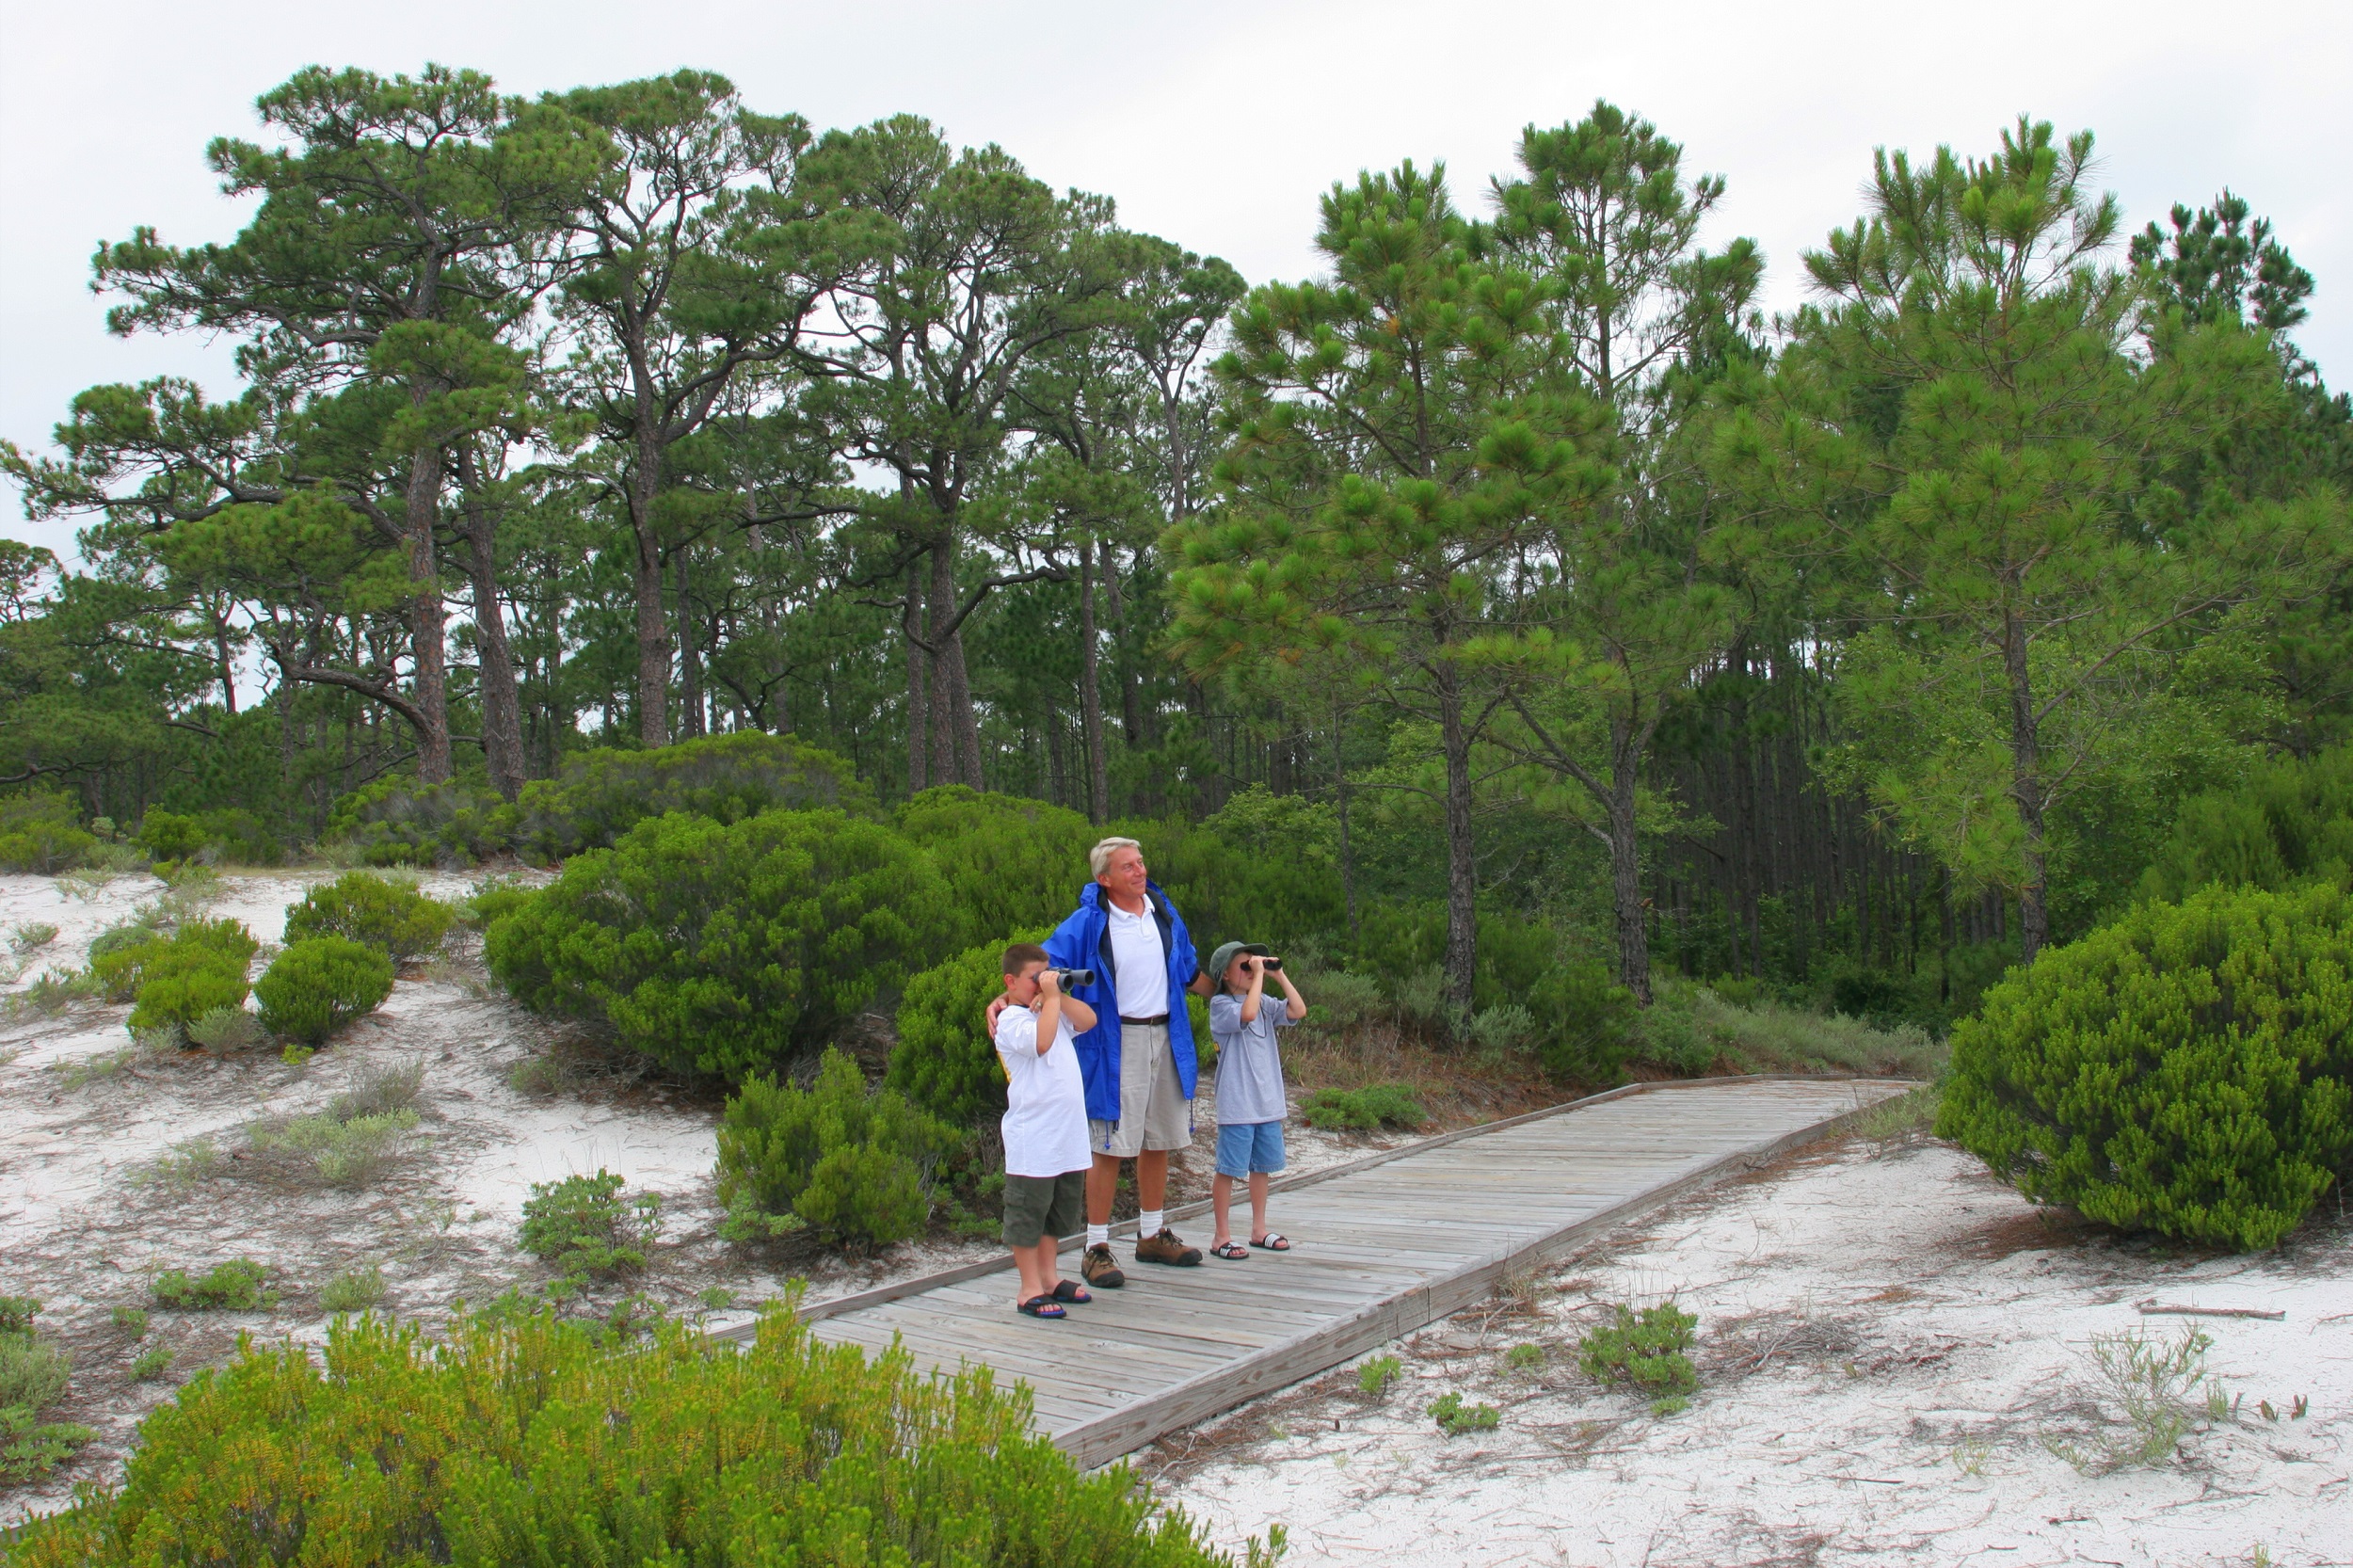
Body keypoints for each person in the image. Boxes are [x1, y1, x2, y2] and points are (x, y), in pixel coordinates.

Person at [995, 836, 1215, 1288]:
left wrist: (1230, 990)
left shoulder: (1165, 916)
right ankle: (1096, 1247)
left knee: (1159, 1139)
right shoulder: (1087, 924)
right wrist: (1003, 998)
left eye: (1141, 862)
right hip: (1118, 1042)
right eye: (1128, 866)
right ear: (1105, 879)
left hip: (1167, 1035)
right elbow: (1041, 971)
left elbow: (1190, 973)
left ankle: (1152, 1234)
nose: (1140, 871)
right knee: (1110, 1143)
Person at [993, 942, 1099, 1320]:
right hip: (1033, 1136)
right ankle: (1029, 1287)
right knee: (1028, 1211)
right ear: (1010, 981)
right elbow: (1040, 1043)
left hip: (1066, 1134)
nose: (1041, 985)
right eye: (1033, 979)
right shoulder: (1010, 1021)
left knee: (1057, 1209)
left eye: (1046, 975)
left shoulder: (1049, 1008)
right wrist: (1049, 998)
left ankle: (1050, 1277)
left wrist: (1057, 994)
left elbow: (1088, 1020)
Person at [1204, 941, 1306, 1259]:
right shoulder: (1221, 1005)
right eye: (1245, 966)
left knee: (1261, 1167)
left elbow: (1298, 1010)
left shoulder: (1262, 1000)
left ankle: (1258, 1229)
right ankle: (1221, 1235)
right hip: (1238, 1103)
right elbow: (1246, 1013)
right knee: (1229, 1168)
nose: (1251, 970)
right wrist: (1260, 976)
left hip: (1266, 1102)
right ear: (1225, 975)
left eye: (1253, 964)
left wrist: (1279, 975)